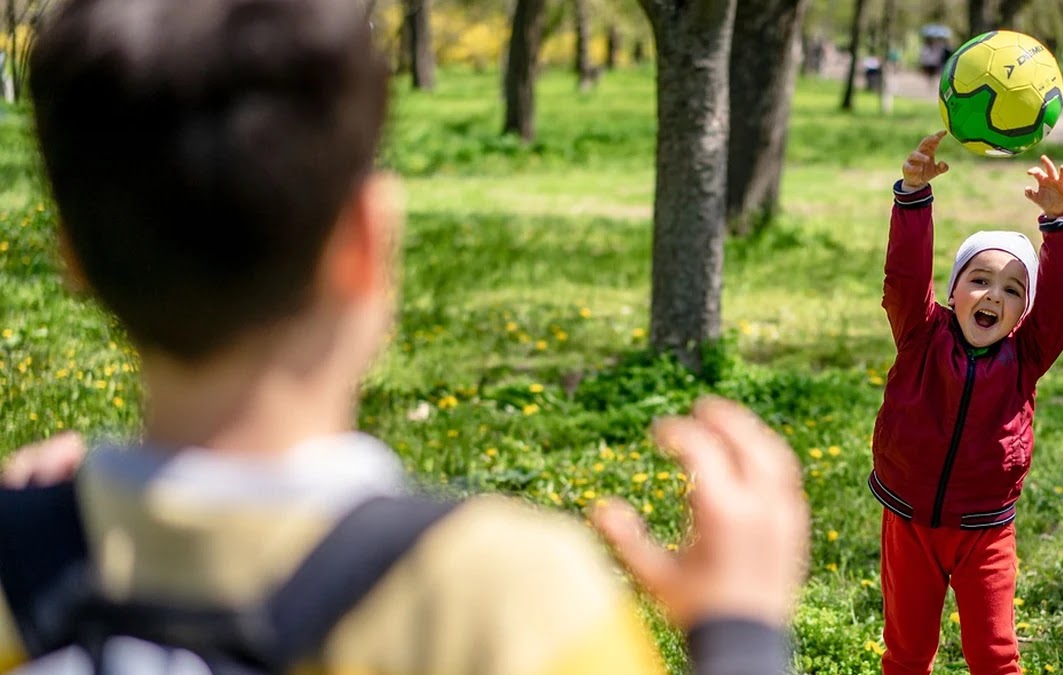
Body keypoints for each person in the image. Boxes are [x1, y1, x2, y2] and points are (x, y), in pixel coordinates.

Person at [0, 0, 811, 672]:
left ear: (71, 253)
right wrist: (739, 632)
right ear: (366, 239)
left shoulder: (19, 569)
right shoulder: (505, 600)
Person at [869, 131, 1063, 675]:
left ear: (1022, 314)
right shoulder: (920, 335)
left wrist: (1060, 225)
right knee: (907, 654)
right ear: (953, 290)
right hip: (910, 522)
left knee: (993, 656)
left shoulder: (1026, 356)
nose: (994, 294)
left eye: (1014, 290)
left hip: (986, 533)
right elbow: (904, 277)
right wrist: (914, 196)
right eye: (981, 279)